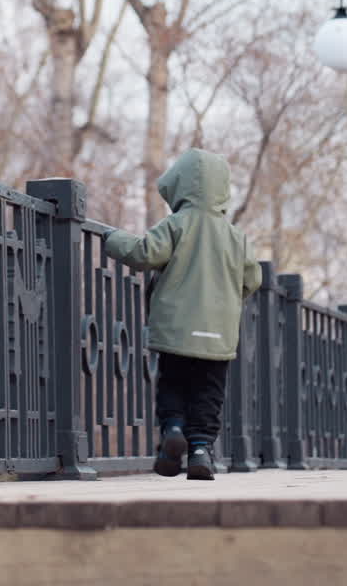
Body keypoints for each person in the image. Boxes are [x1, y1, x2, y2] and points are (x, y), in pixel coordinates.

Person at [104, 149, 261, 480]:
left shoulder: (177, 224)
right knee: (209, 392)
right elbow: (253, 279)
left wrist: (111, 238)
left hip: (177, 329)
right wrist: (230, 302)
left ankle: (173, 429)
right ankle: (201, 449)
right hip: (218, 333)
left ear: (181, 186)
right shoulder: (236, 237)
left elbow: (145, 253)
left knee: (173, 382)